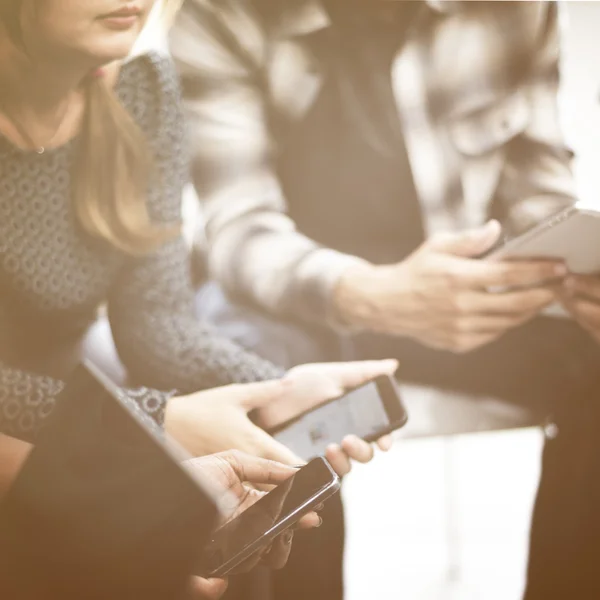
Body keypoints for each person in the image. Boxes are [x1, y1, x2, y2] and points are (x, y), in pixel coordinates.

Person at [171, 0, 600, 598]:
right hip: (282, 299)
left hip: (456, 289)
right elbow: (240, 230)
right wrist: (375, 295)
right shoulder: (221, 15)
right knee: (271, 408)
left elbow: (539, 183)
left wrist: (575, 274)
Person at [0, 1, 396, 597]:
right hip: (32, 424)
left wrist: (275, 393)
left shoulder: (143, 88)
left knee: (288, 487)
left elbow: (156, 322)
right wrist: (156, 421)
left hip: (71, 385)